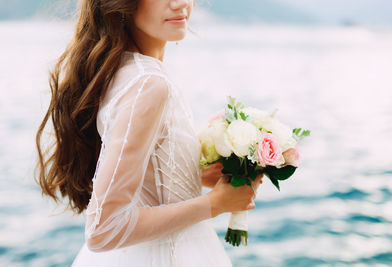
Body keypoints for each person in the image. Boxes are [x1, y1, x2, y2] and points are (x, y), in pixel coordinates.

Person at [35, 0, 263, 266]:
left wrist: (195, 174)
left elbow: (139, 173)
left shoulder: (121, 71)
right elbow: (103, 229)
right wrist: (216, 203)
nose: (181, 4)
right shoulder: (147, 83)